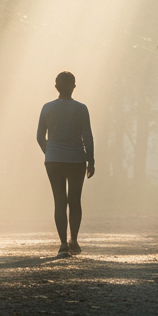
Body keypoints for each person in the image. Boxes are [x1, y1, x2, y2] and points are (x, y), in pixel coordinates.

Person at [36, 70, 94, 257]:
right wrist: (91, 160)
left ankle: (62, 244)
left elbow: (39, 136)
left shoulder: (47, 108)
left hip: (54, 160)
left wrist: (50, 152)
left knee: (59, 200)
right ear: (74, 87)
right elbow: (87, 136)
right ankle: (74, 241)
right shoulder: (81, 109)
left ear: (56, 87)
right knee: (75, 200)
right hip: (77, 159)